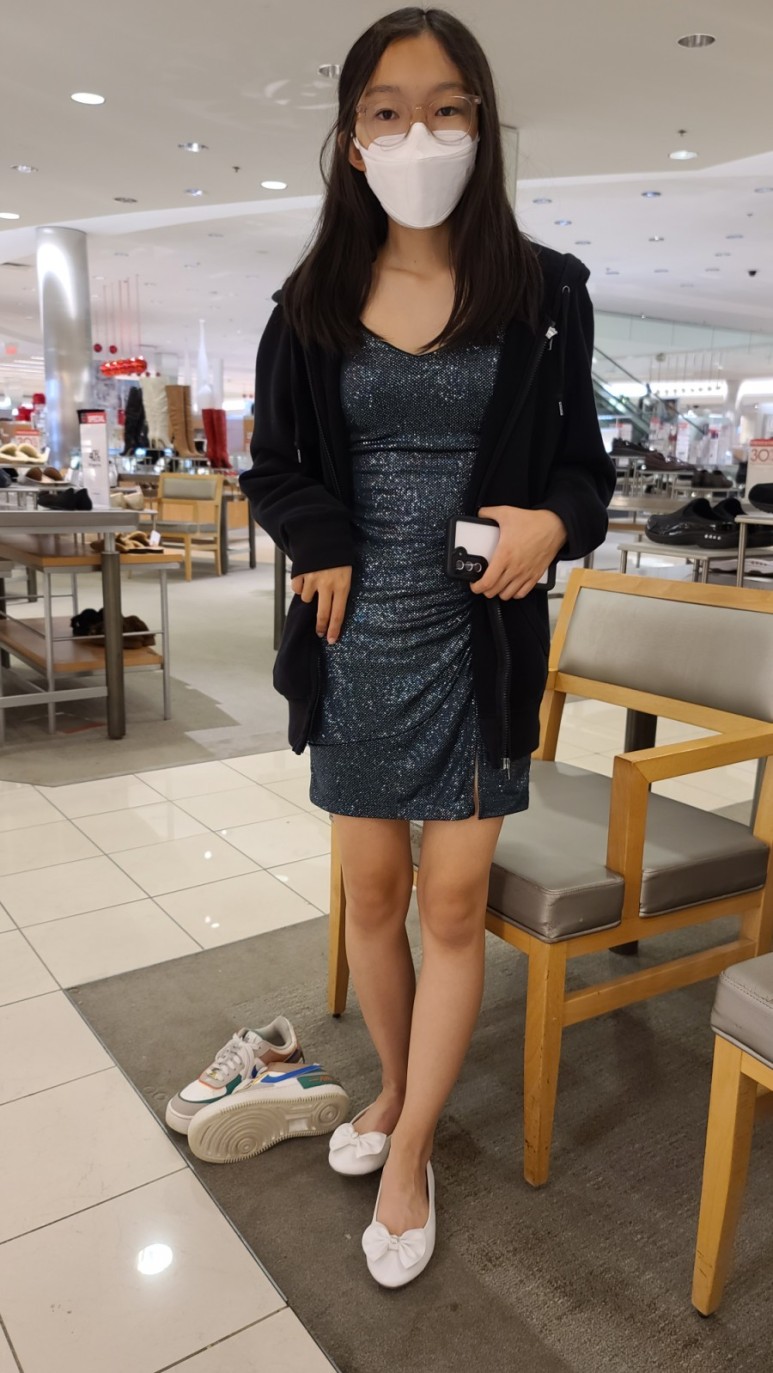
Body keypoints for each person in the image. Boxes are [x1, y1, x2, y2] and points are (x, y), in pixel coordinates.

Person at [241, 6, 615, 1287]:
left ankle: (407, 1153)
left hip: (481, 632)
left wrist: (554, 522)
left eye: (446, 107)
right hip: (354, 635)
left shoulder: (546, 292)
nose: (420, 132)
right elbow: (272, 464)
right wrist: (317, 535)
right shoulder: (307, 301)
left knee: (452, 902)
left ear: (480, 123)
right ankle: (402, 1088)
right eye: (388, 111)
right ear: (352, 138)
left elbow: (583, 469)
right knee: (374, 894)